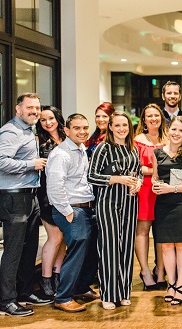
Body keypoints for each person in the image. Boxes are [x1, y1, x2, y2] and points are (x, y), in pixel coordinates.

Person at [0, 93, 52, 317]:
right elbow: (1, 162)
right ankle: (6, 300)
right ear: (18, 109)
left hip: (30, 196)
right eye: (30, 107)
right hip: (14, 196)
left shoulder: (28, 131)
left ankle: (24, 291)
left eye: (37, 107)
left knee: (29, 248)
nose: (35, 111)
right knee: (13, 250)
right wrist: (31, 164)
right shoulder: (10, 131)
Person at [88, 111, 143, 310]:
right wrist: (116, 179)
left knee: (127, 247)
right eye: (117, 125)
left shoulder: (133, 148)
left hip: (130, 202)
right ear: (110, 127)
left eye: (125, 125)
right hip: (108, 202)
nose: (121, 129)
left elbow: (138, 173)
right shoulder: (103, 148)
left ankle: (123, 292)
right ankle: (108, 294)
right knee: (109, 246)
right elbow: (91, 176)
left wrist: (138, 183)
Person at [46, 113, 98, 313]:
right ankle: (63, 297)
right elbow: (55, 187)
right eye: (77, 128)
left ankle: (81, 288)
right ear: (66, 131)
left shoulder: (81, 149)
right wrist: (68, 212)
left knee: (91, 250)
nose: (82, 131)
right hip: (71, 209)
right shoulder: (61, 154)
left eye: (85, 127)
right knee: (77, 251)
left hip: (86, 207)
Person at [151, 116, 182, 305]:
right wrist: (155, 184)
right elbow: (155, 176)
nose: (176, 133)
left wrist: (173, 189)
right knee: (165, 246)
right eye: (173, 129)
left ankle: (181, 284)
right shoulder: (157, 153)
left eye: (181, 130)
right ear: (168, 130)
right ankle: (171, 283)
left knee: (181, 245)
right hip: (163, 203)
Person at [133, 103, 168, 290]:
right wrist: (154, 170)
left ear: (161, 118)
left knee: (162, 232)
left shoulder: (169, 138)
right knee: (143, 230)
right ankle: (145, 271)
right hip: (145, 189)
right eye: (149, 116)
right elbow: (134, 166)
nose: (153, 118)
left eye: (156, 115)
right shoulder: (137, 140)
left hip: (165, 189)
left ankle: (161, 271)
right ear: (144, 120)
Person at [36, 106, 67, 297]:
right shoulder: (38, 142)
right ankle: (45, 279)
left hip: (66, 195)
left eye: (50, 118)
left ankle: (57, 276)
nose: (48, 123)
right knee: (55, 236)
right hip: (46, 195)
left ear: (57, 118)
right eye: (43, 120)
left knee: (63, 238)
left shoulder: (67, 138)